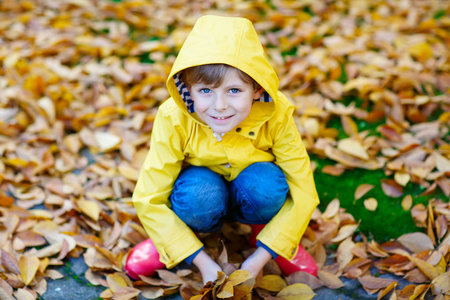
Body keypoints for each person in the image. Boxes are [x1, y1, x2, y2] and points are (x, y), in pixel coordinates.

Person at [129, 15, 320, 284]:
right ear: (187, 89)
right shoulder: (173, 117)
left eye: (233, 90)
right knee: (198, 196)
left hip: (252, 188)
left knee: (267, 184)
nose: (220, 106)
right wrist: (201, 261)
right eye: (206, 90)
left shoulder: (277, 114)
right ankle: (174, 241)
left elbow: (302, 189)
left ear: (256, 88)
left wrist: (262, 256)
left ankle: (269, 234)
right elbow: (149, 196)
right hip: (200, 194)